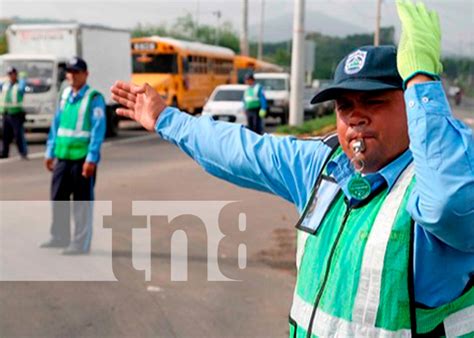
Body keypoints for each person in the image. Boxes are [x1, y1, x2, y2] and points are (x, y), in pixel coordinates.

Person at [111, 1, 473, 336]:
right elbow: (242, 150)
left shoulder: (441, 176)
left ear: (411, 106)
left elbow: (449, 204)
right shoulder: (325, 164)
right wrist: (165, 119)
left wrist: (422, 83)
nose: (355, 117)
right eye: (344, 105)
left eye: (374, 101)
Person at [41, 57, 106, 255]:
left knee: (81, 202)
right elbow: (56, 125)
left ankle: (80, 243)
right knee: (58, 197)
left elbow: (98, 130)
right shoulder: (65, 95)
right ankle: (59, 236)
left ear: (85, 74)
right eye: (70, 72)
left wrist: (91, 159)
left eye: (76, 72)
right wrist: (50, 151)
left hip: (82, 158)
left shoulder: (94, 98)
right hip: (63, 156)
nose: (72, 75)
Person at [0, 66, 28, 159]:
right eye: (9, 74)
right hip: (6, 112)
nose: (11, 76)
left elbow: (22, 89)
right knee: (5, 134)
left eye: (12, 74)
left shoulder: (19, 85)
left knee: (18, 134)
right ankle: (4, 152)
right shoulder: (5, 85)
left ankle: (23, 152)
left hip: (16, 113)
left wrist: (22, 78)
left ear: (16, 74)